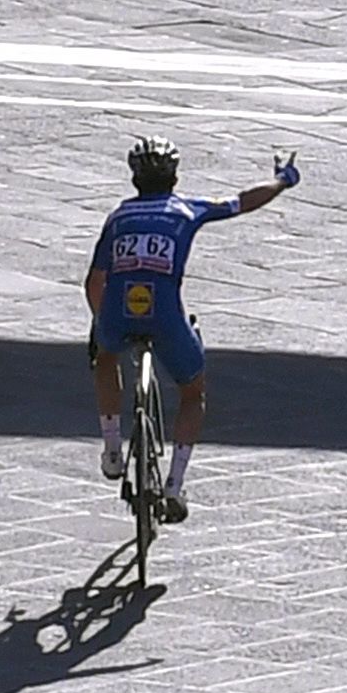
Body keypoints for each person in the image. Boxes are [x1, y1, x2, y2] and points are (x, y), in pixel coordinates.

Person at [83, 138, 300, 518]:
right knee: (192, 392)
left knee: (105, 359)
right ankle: (174, 485)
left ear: (134, 178)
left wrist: (100, 323)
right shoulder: (187, 210)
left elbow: (94, 282)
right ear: (176, 177)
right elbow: (242, 201)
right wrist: (283, 179)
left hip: (119, 310)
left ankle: (113, 449)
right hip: (165, 314)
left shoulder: (117, 218)